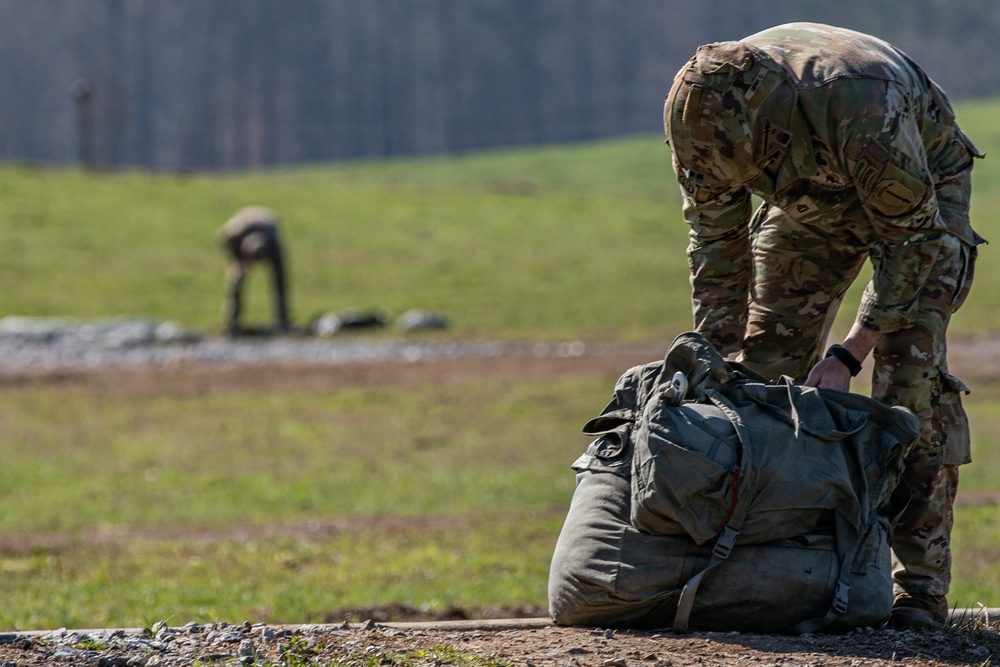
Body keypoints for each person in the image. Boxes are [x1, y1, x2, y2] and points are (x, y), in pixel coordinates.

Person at [663, 22, 985, 629]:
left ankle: (919, 590)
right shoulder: (695, 117)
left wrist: (848, 355)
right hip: (811, 201)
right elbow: (715, 239)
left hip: (920, 201)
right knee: (757, 375)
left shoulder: (861, 103)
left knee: (906, 387)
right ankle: (774, 566)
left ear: (768, 126)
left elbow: (909, 244)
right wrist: (713, 351)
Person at [217, 205, 291, 336]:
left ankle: (282, 321)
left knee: (280, 282)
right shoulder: (235, 233)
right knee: (236, 281)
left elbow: (281, 276)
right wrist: (237, 261)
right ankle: (231, 323)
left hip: (267, 227)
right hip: (241, 239)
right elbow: (222, 238)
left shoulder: (274, 244)